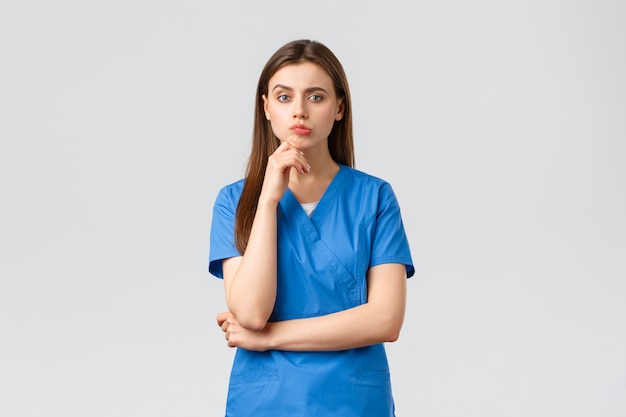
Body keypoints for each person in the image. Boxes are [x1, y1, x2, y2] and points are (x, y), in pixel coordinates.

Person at [208, 39, 414, 417]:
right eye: (284, 97)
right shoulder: (234, 202)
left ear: (339, 108)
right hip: (266, 402)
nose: (299, 112)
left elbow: (386, 319)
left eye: (315, 97)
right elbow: (251, 313)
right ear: (266, 107)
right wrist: (268, 201)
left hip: (351, 402)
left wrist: (269, 337)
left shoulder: (375, 198)